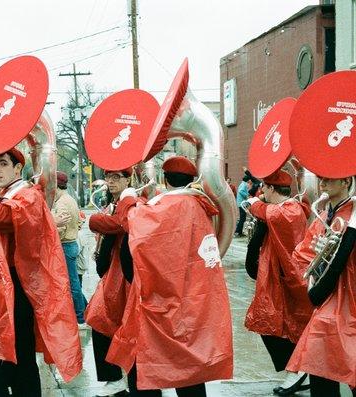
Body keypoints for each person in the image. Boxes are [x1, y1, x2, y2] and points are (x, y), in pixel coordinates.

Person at [108, 156, 233, 396]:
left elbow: (137, 227)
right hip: (196, 295)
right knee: (189, 367)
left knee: (151, 355)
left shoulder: (169, 206)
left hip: (168, 297)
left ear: (165, 180)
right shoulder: (199, 205)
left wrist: (127, 200)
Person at [0, 148, 82, 396]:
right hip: (7, 285)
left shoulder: (28, 195)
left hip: (19, 286)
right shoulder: (9, 194)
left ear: (17, 168)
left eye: (3, 164)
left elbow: (1, 218)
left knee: (0, 355)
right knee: (13, 357)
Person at [242, 169, 312, 396]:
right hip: (280, 277)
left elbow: (263, 210)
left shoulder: (288, 211)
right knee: (274, 324)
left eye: (265, 188)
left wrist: (254, 201)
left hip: (290, 278)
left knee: (283, 325)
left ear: (272, 189)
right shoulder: (286, 208)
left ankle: (299, 369)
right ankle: (298, 368)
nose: (262, 192)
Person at [286, 175, 356, 396]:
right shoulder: (324, 215)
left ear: (346, 182)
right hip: (328, 298)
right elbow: (302, 254)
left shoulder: (352, 214)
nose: (322, 184)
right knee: (319, 363)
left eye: (329, 179)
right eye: (321, 179)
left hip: (349, 297)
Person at [85, 167, 138, 397]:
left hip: (125, 275)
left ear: (128, 179)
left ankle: (122, 378)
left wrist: (97, 221)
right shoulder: (115, 202)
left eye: (117, 177)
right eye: (108, 177)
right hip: (112, 272)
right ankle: (116, 377)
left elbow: (119, 224)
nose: (111, 181)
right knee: (101, 321)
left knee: (111, 322)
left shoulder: (132, 201)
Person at [51, 171, 87, 324]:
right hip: (71, 244)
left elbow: (61, 228)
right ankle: (86, 309)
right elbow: (79, 221)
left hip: (65, 245)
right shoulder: (69, 199)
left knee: (73, 285)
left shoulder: (62, 203)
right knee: (74, 283)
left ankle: (80, 317)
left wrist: (51, 231)